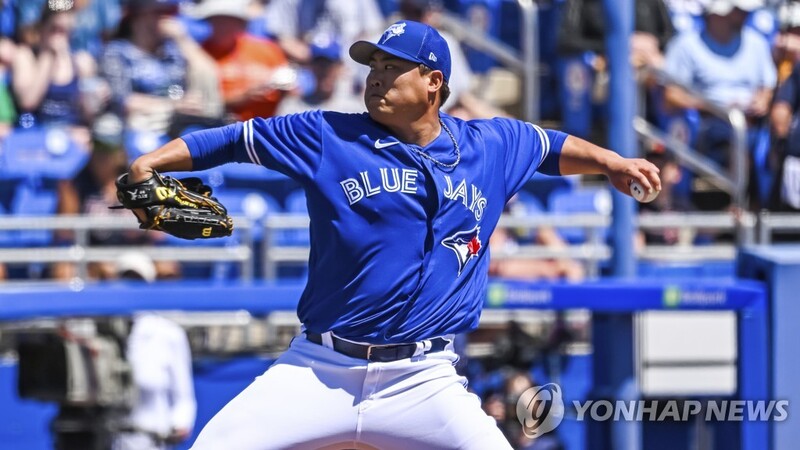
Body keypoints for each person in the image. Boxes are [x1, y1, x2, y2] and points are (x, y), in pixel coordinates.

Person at [123, 20, 660, 449]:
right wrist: (150, 162)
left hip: (423, 378)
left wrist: (610, 162)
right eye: (372, 65)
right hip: (319, 368)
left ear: (434, 84)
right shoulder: (326, 134)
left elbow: (549, 146)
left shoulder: (491, 144)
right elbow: (232, 140)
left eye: (393, 67)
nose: (375, 76)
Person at [113, 251, 197, 450]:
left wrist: (178, 424)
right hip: (111, 441)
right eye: (125, 279)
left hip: (151, 441)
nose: (130, 288)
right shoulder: (104, 329)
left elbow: (183, 396)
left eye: (137, 280)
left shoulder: (167, 333)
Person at [194, 0, 290, 121]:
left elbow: (292, 88)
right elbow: (201, 102)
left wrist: (279, 87)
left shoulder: (267, 49)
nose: (222, 26)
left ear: (241, 22)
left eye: (228, 21)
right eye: (217, 21)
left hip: (270, 124)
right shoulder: (201, 54)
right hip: (223, 126)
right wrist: (242, 97)